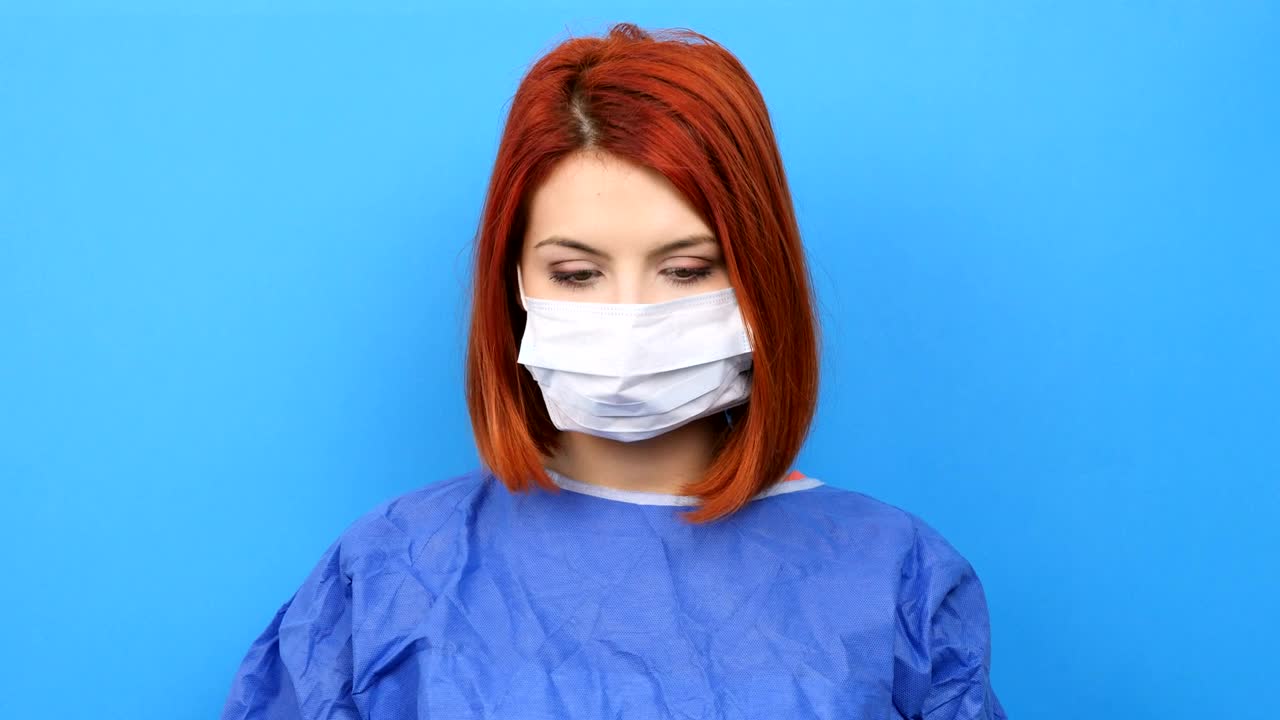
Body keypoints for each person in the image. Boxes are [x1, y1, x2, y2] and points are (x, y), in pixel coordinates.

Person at [220, 22, 1007, 720]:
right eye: (576, 275)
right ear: (514, 286)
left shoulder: (891, 580)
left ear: (760, 283)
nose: (631, 318)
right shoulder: (389, 577)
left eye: (687, 270)